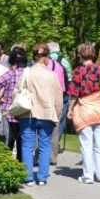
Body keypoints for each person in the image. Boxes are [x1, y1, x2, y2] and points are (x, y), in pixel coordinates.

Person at [17, 43, 62, 186]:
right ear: (45, 58)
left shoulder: (26, 72)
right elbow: (58, 98)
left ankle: (28, 177)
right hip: (47, 113)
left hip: (28, 113)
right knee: (44, 145)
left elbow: (17, 91)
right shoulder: (52, 75)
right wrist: (58, 114)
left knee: (27, 146)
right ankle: (42, 177)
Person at [68, 43, 100, 184]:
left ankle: (88, 176)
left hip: (84, 110)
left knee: (86, 145)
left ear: (81, 55)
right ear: (93, 55)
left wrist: (70, 109)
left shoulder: (78, 71)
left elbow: (74, 94)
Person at [0, 46, 29, 161]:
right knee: (23, 142)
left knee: (8, 141)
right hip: (25, 112)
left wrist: (0, 98)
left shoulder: (10, 74)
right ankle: (21, 164)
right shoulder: (30, 74)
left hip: (9, 112)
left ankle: (6, 163)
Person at [47, 41, 70, 164]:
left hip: (46, 94)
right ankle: (55, 147)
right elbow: (69, 78)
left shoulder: (45, 61)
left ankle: (43, 149)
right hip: (61, 94)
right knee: (59, 121)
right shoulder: (64, 60)